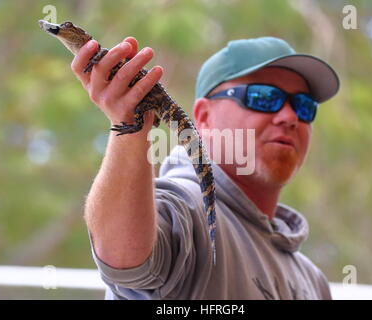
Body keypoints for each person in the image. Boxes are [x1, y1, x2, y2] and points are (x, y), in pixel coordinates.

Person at [71, 35, 339, 299]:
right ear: (204, 117)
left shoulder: (313, 281)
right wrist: (129, 125)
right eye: (264, 97)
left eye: (304, 106)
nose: (290, 117)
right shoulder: (188, 209)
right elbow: (125, 258)